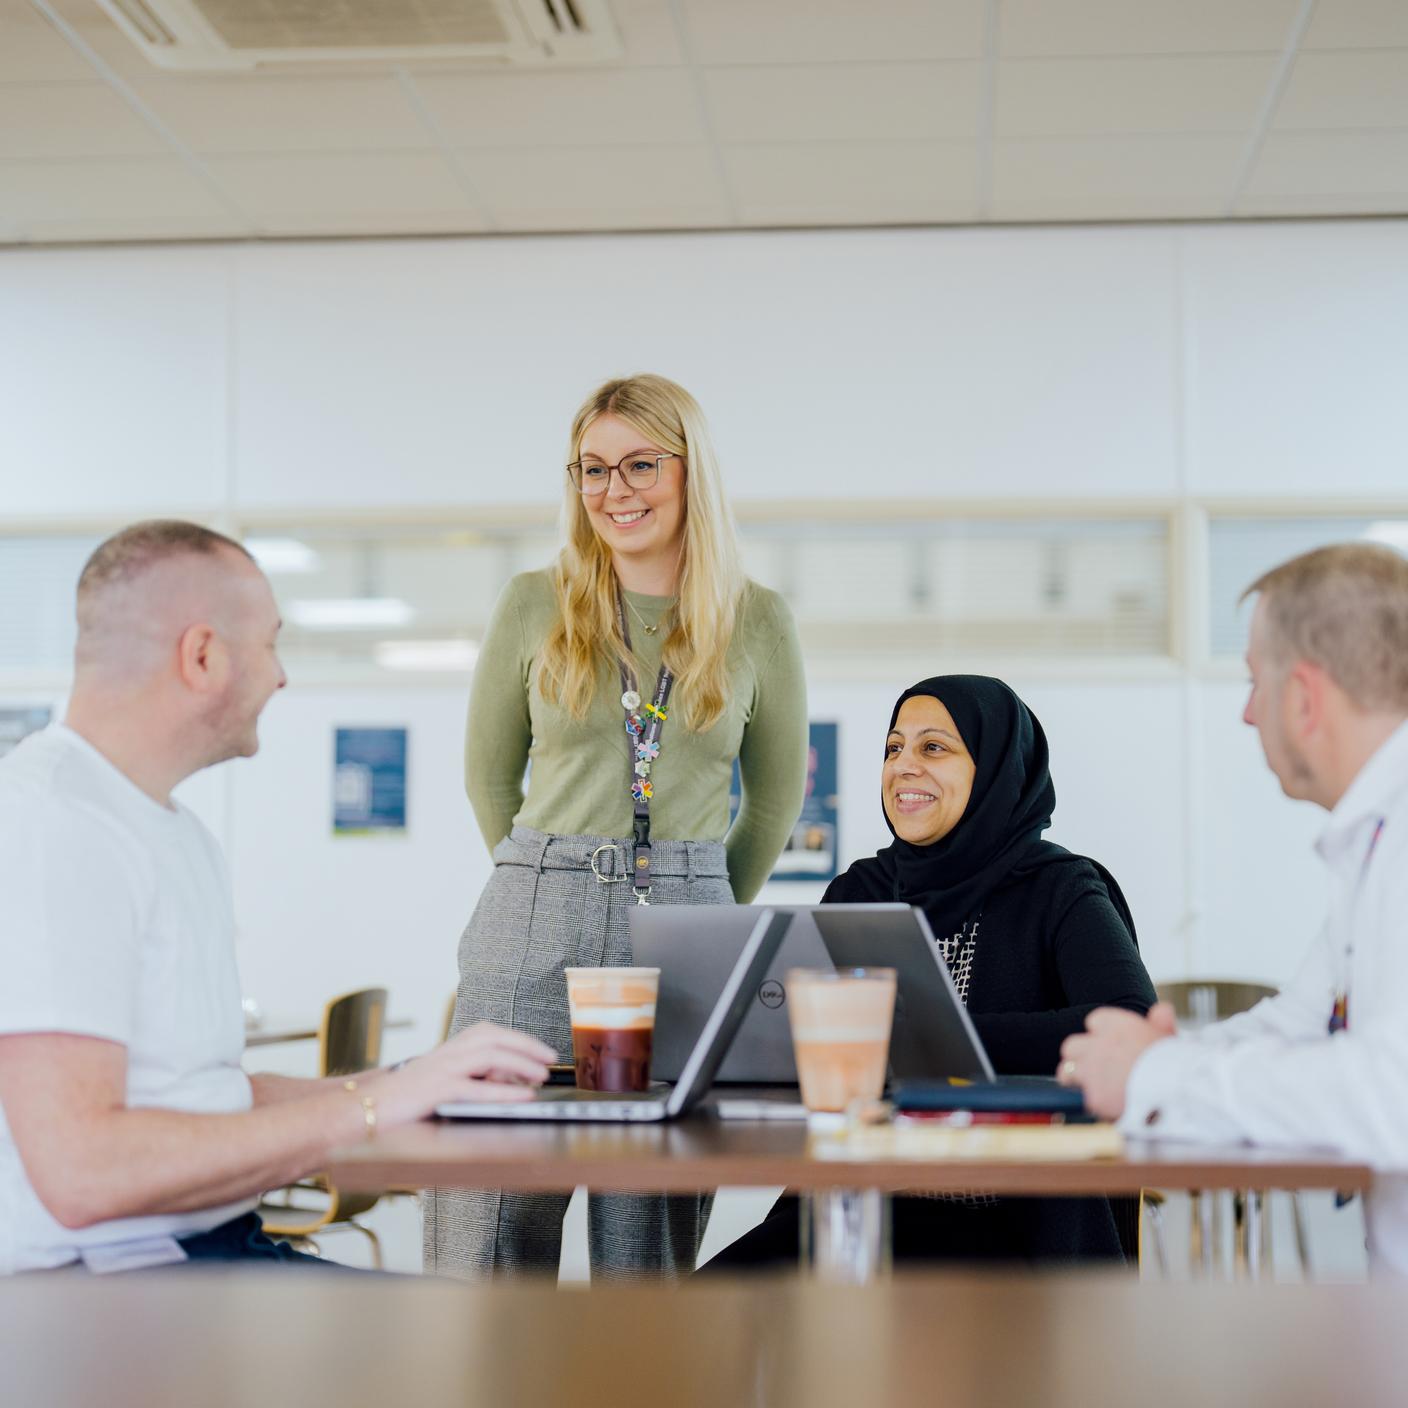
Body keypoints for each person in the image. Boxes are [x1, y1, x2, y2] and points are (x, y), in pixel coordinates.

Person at [0, 521, 553, 1275]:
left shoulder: (173, 830)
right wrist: (365, 1112)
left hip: (216, 1250)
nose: (281, 676)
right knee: (491, 1355)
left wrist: (406, 1083)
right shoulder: (53, 823)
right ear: (202, 656)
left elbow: (209, 1097)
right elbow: (80, 1173)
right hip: (115, 1286)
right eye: (270, 644)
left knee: (499, 1340)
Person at [424, 374, 808, 1279]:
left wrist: (699, 904)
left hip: (686, 922)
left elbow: (775, 802)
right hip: (536, 906)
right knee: (490, 1220)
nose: (615, 490)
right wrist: (544, 881)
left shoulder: (757, 620)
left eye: (640, 464)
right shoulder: (533, 601)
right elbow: (488, 778)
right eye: (592, 469)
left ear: (690, 472)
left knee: (650, 1233)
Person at [706, 674, 1156, 1270]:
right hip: (863, 1198)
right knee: (702, 1317)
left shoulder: (1059, 887)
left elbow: (1130, 1024)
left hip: (1012, 1218)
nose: (904, 766)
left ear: (995, 770)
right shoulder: (860, 891)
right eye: (894, 749)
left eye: (933, 748)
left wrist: (937, 1038)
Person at [1059, 543, 1408, 1278]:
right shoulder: (1374, 840)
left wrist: (1155, 1079)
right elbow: (1302, 1026)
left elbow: (1390, 1095)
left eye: (1256, 683)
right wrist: (1160, 1062)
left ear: (1305, 698)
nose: (1249, 715)